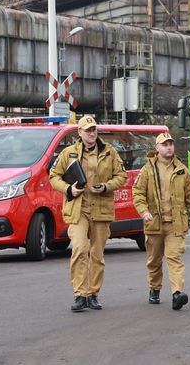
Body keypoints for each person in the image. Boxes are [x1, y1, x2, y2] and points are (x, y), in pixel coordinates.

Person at [49, 115, 126, 312]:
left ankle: (93, 294)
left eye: (94, 129)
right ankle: (80, 294)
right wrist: (68, 189)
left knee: (97, 254)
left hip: (100, 208)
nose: (92, 133)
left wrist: (107, 186)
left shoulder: (109, 152)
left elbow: (121, 176)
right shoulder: (68, 153)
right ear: (80, 133)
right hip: (78, 208)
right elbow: (54, 176)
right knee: (80, 249)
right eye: (88, 130)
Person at [132, 132, 190, 310]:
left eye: (171, 143)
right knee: (154, 260)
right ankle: (154, 288)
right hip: (154, 223)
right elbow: (137, 193)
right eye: (164, 144)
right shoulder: (148, 169)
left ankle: (177, 293)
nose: (169, 146)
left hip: (175, 224)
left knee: (174, 258)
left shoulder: (182, 170)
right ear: (157, 148)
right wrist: (144, 211)